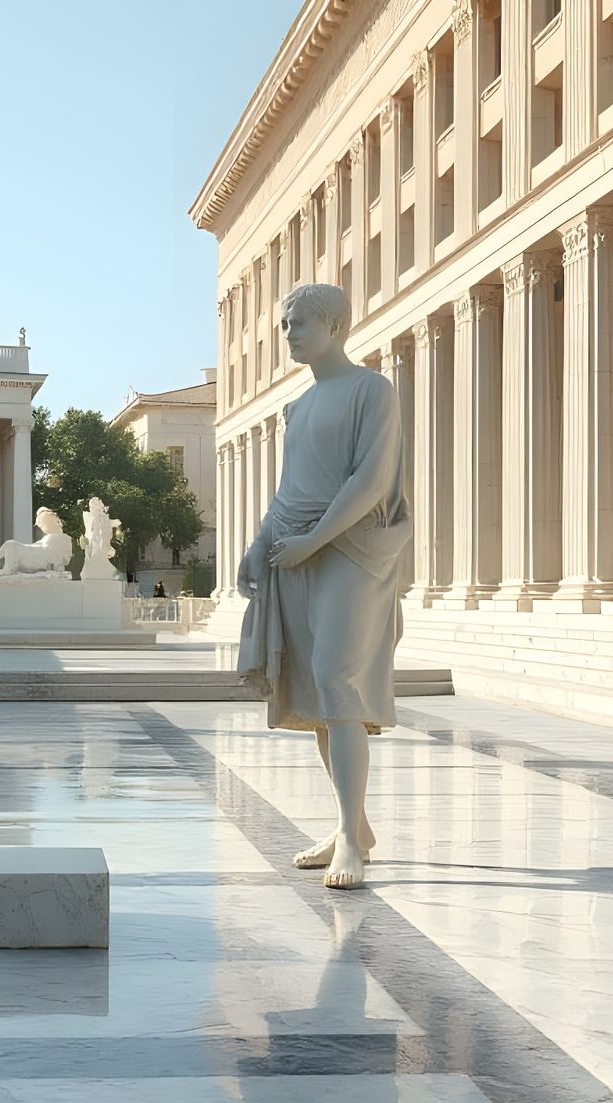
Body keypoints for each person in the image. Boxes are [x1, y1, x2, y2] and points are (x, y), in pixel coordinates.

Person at [235, 282, 410, 891]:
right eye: (285, 324)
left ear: (335, 325)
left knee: (339, 683)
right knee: (317, 698)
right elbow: (289, 489)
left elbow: (371, 481)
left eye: (299, 323)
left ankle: (352, 846)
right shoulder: (301, 405)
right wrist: (261, 542)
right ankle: (350, 828)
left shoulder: (371, 391)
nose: (288, 334)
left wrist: (313, 541)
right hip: (297, 550)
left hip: (353, 551)